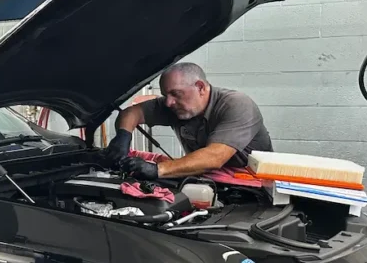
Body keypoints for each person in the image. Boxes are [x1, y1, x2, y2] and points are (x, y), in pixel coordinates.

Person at [102, 62, 271, 180]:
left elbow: (215, 157)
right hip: (207, 180)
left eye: (176, 94)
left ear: (200, 87)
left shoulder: (236, 104)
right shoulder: (174, 106)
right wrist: (123, 136)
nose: (168, 102)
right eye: (165, 95)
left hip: (253, 188)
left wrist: (157, 169)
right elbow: (133, 112)